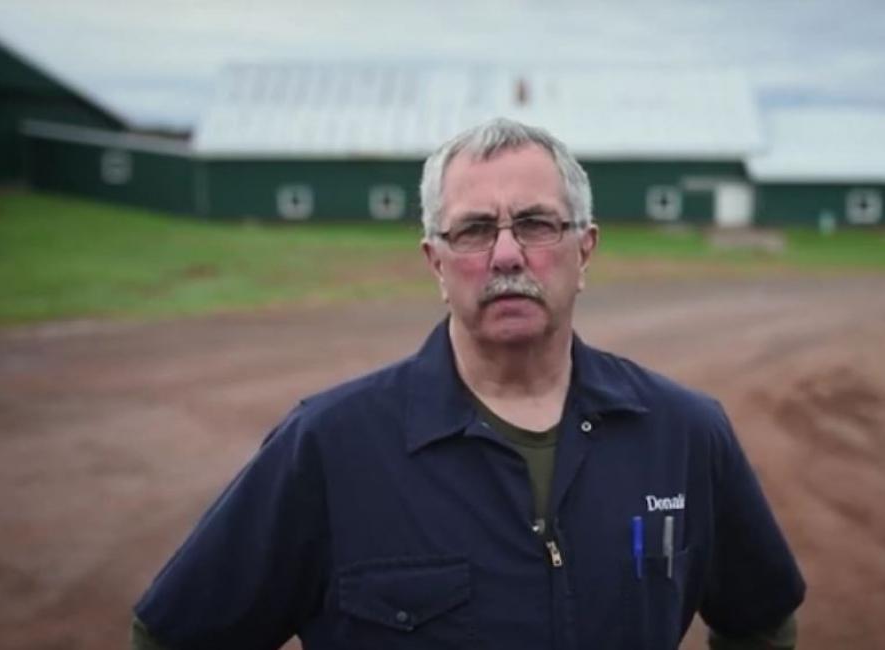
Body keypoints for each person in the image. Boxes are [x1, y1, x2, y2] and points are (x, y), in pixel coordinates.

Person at [131, 117, 805, 649]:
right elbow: (176, 636)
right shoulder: (329, 448)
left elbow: (760, 615)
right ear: (436, 260)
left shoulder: (683, 433)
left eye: (537, 223)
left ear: (585, 249)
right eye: (475, 229)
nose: (507, 254)